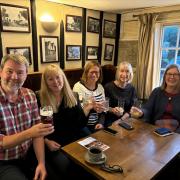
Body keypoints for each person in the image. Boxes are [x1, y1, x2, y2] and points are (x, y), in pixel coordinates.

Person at [0, 54, 54, 180]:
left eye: (20, 72)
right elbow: (1, 143)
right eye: (9, 71)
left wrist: (41, 163)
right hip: (4, 161)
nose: (14, 77)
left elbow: (38, 133)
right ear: (1, 72)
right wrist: (30, 133)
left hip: (29, 153)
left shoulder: (30, 95)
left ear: (26, 75)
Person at [36, 64, 92, 179]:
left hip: (73, 140)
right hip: (54, 143)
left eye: (58, 77)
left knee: (90, 161)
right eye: (50, 79)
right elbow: (34, 126)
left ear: (63, 78)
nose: (55, 82)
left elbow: (80, 123)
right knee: (66, 167)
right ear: (45, 82)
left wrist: (89, 108)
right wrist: (46, 142)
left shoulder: (72, 95)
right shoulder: (39, 97)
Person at [130, 64, 180, 132]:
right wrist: (141, 113)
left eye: (175, 74)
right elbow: (147, 109)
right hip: (155, 129)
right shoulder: (157, 92)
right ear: (165, 76)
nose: (172, 77)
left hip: (176, 132)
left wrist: (176, 134)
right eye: (169, 74)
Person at [73, 61, 105, 133]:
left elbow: (103, 110)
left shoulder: (100, 87)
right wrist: (92, 107)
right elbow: (78, 112)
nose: (94, 75)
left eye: (97, 72)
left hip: (97, 124)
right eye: (92, 72)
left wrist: (100, 123)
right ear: (86, 73)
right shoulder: (78, 87)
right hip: (83, 125)